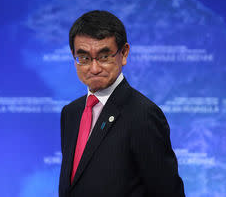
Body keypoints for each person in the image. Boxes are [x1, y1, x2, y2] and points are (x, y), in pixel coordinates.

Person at [59, 10, 185, 197]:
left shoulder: (143, 115)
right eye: (84, 58)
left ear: (124, 53)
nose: (94, 68)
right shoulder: (71, 113)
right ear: (73, 57)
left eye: (104, 56)